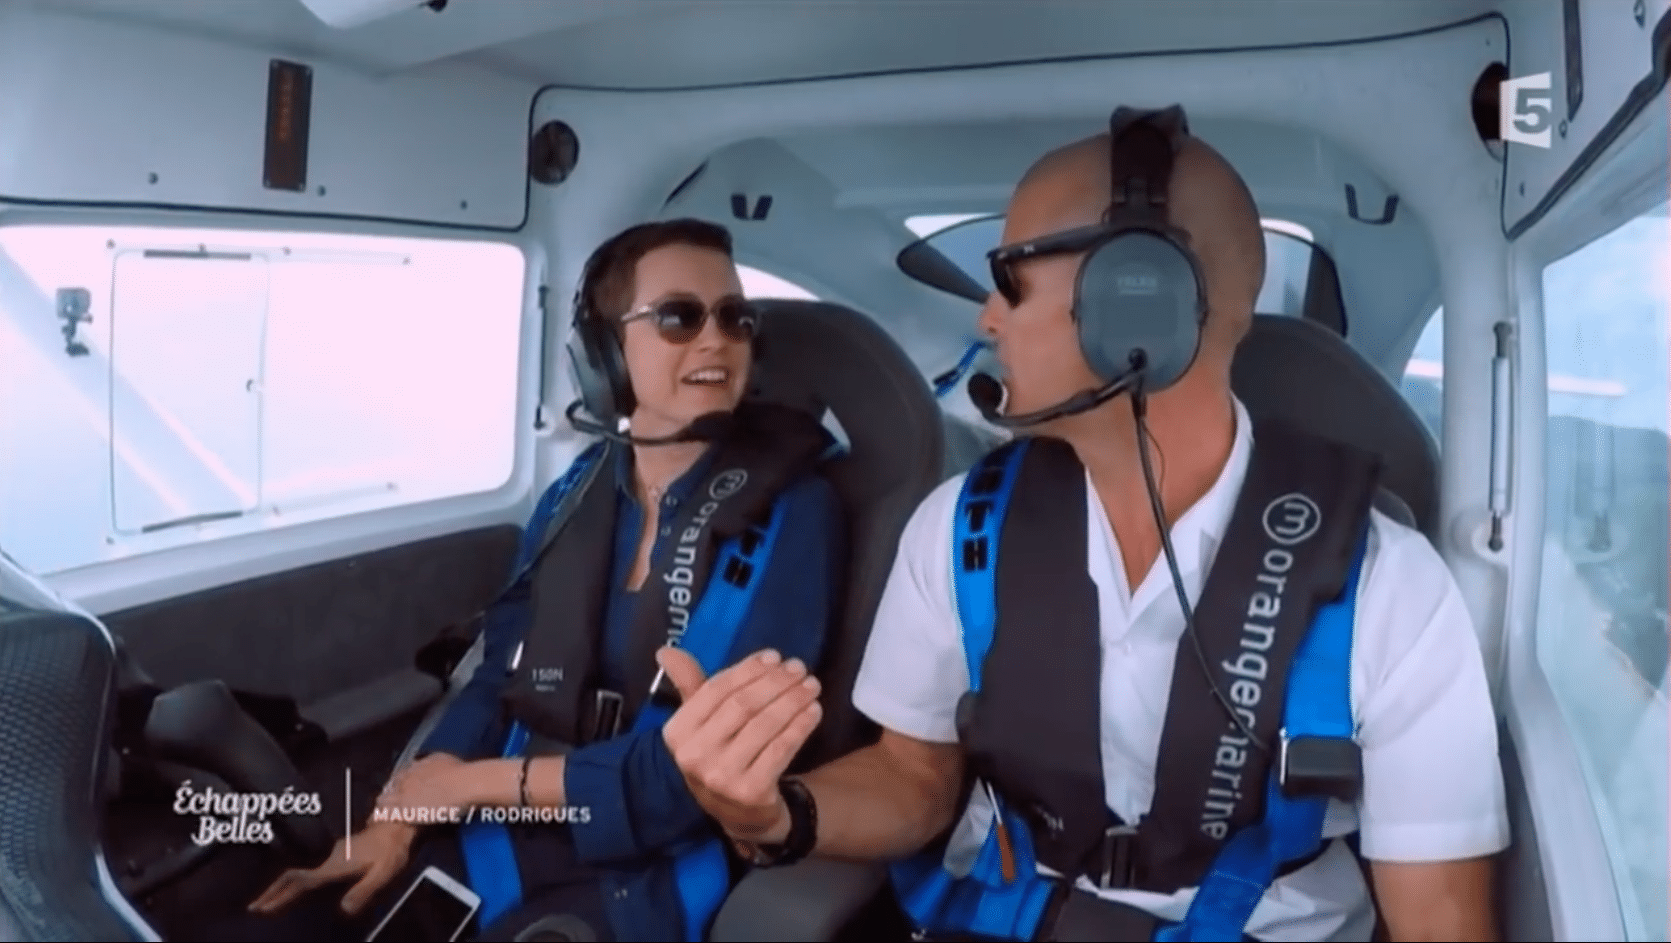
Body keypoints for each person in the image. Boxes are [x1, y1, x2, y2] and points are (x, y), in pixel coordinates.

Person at [656, 108, 1509, 942]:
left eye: (1010, 281)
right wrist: (776, 813)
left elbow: (1438, 919)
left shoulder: (1387, 586)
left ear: (1137, 300)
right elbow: (912, 776)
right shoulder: (959, 532)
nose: (985, 318)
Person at [222, 218, 846, 942]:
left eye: (736, 318)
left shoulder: (793, 512)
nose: (716, 338)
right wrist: (398, 819)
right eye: (679, 316)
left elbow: (701, 777)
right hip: (504, 829)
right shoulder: (575, 494)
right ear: (606, 352)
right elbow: (498, 673)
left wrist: (467, 788)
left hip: (652, 864)